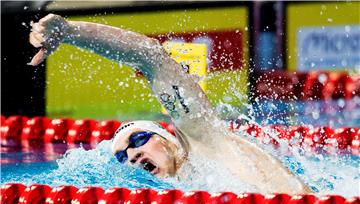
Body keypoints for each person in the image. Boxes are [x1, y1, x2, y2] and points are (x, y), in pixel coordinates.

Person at [29, 14, 311, 194]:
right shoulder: (185, 190)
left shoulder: (202, 141)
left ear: (167, 139)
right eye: (122, 156)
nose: (133, 155)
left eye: (138, 139)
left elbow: (149, 55)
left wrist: (69, 31)